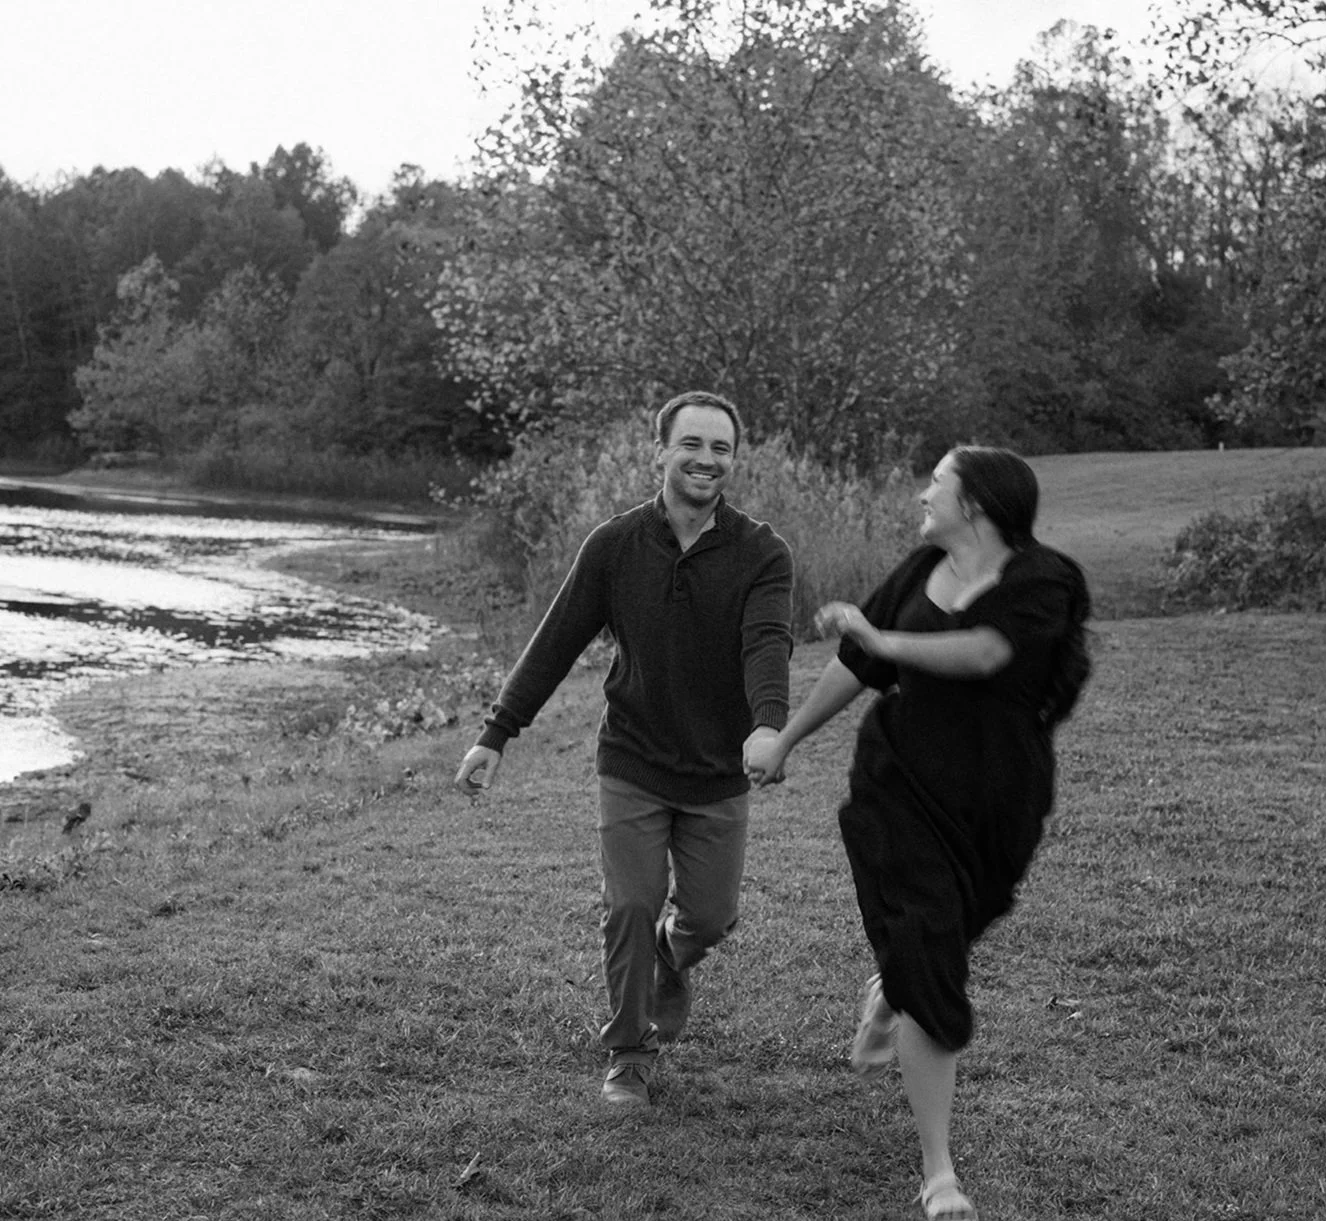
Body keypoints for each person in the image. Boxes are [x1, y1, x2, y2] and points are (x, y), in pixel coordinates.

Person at [744, 446, 1091, 1221]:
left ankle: (894, 983)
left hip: (997, 799)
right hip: (898, 787)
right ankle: (939, 1172)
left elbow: (987, 652)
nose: (921, 495)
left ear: (975, 501)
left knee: (947, 934)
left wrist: (887, 639)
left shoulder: (1045, 579)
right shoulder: (916, 569)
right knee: (931, 958)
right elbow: (858, 662)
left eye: (935, 483)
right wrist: (788, 738)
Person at [454, 390, 794, 1108]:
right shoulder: (614, 545)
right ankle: (629, 1052)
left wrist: (769, 722)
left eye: (721, 447)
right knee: (630, 905)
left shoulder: (762, 551)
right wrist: (496, 732)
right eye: (692, 444)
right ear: (661, 451)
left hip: (717, 768)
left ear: (734, 458)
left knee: (711, 915)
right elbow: (554, 641)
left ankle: (673, 953)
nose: (706, 459)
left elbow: (767, 642)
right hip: (633, 758)